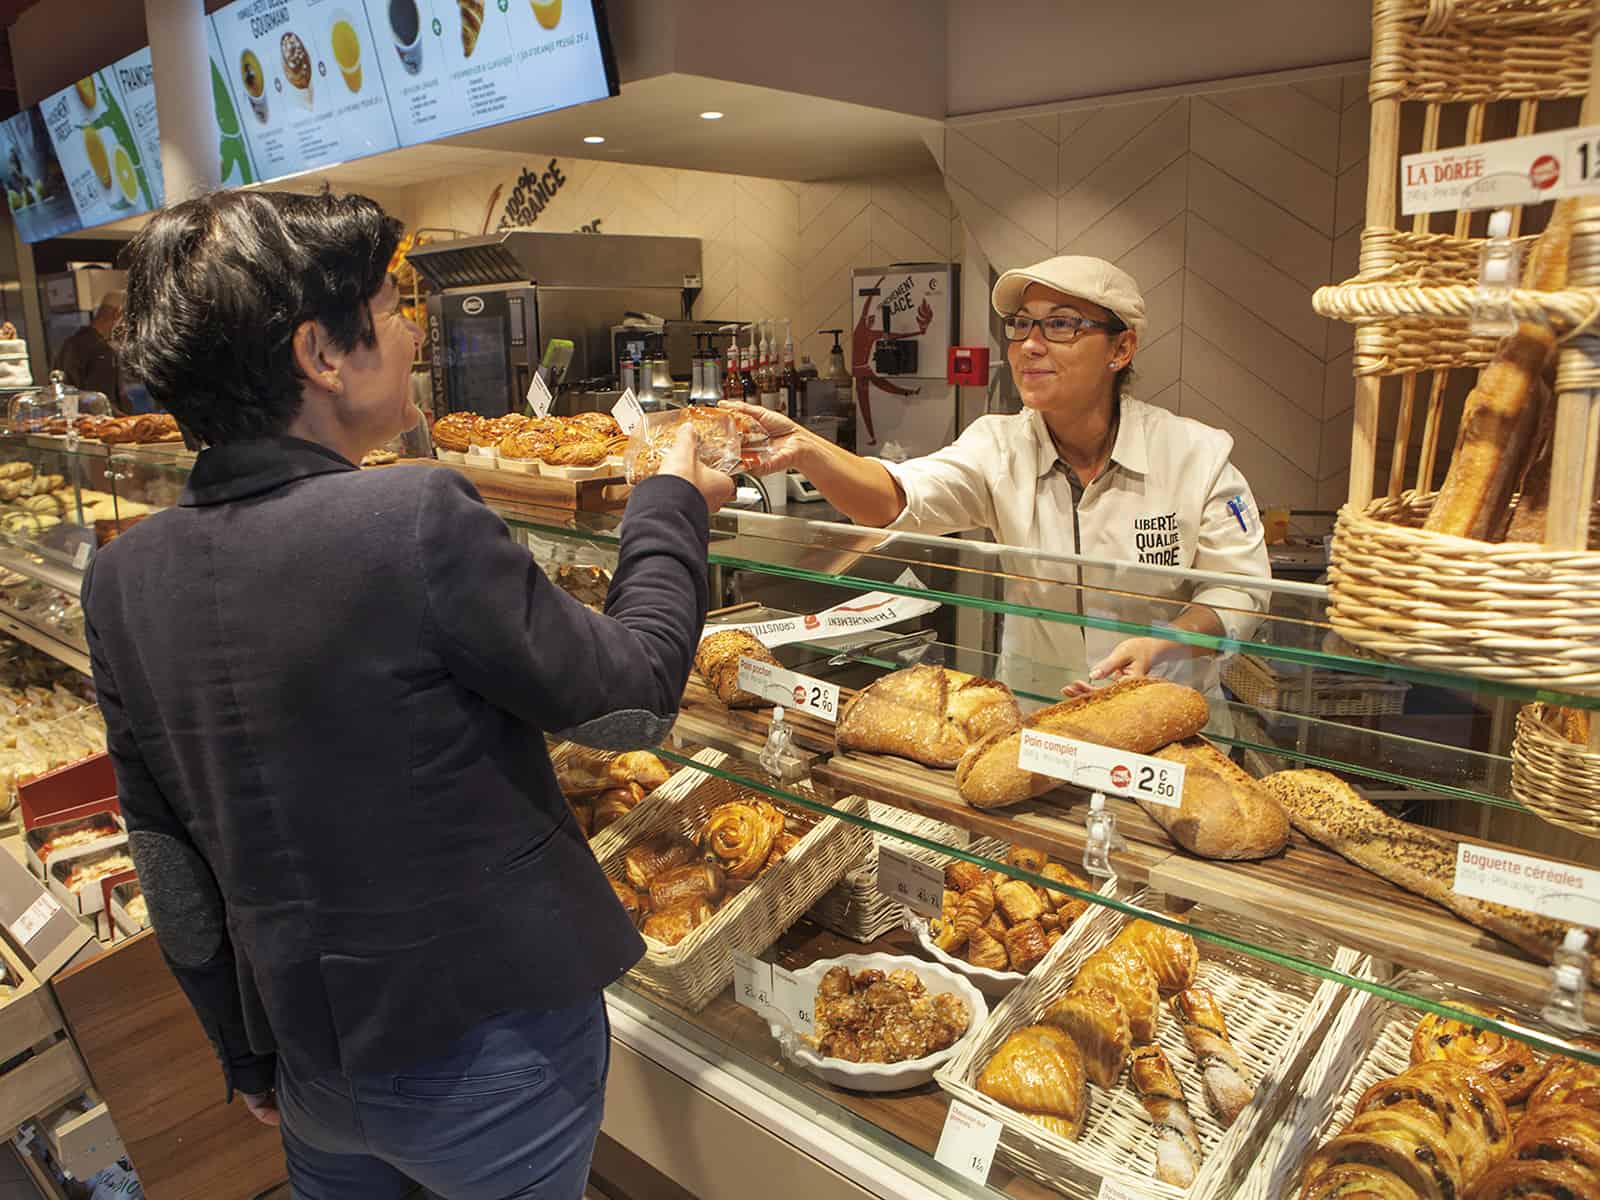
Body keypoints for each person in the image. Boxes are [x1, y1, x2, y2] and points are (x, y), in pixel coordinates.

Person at [83, 190, 734, 1200]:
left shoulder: (124, 575)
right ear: (320, 353)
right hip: (489, 1051)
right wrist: (668, 501)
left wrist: (243, 1050)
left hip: (306, 1057)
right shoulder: (405, 517)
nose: (412, 334)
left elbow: (167, 859)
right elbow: (628, 705)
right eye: (392, 310)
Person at [726, 255, 1271, 700]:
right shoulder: (997, 446)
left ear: (1121, 348)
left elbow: (1240, 592)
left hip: (1166, 726)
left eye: (1061, 324)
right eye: (1021, 325)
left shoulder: (1196, 456)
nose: (1030, 344)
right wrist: (807, 448)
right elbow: (892, 499)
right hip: (1041, 725)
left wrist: (1165, 644)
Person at [54, 290, 126, 412]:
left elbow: (67, 391)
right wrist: (127, 420)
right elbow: (101, 402)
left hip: (74, 420)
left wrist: (70, 420)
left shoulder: (70, 343)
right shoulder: (101, 350)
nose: (126, 325)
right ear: (117, 314)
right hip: (100, 425)